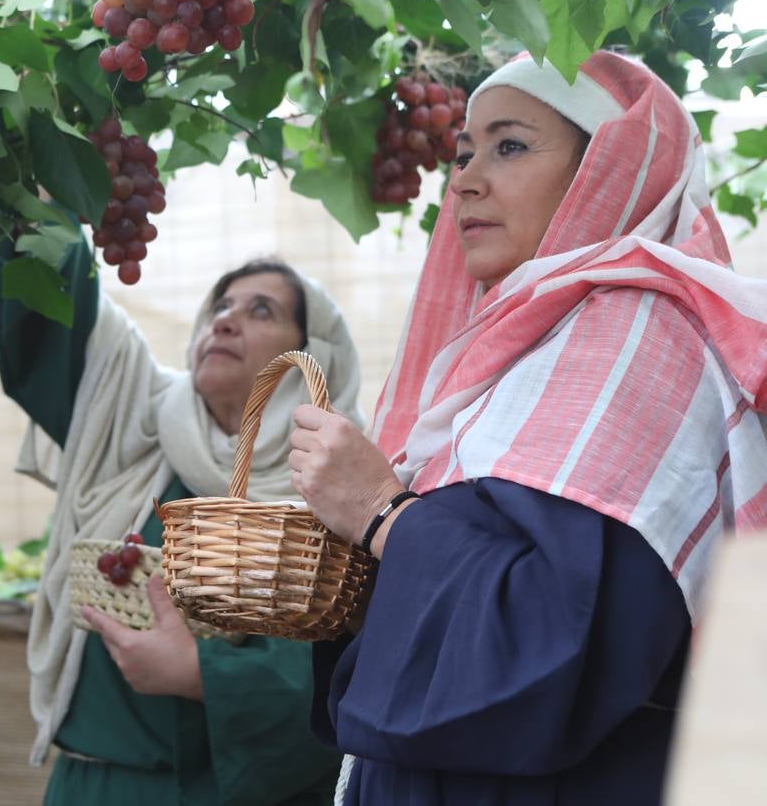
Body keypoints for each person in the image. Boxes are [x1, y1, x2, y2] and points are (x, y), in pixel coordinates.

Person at [288, 51, 767, 804]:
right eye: (466, 151)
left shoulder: (635, 335)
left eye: (510, 145)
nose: (466, 178)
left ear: (605, 171)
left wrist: (381, 513)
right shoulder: (518, 360)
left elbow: (560, 642)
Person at [0, 233, 364, 804]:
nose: (226, 320)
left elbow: (346, 669)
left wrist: (201, 675)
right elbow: (56, 326)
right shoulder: (133, 431)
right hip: (92, 788)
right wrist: (38, 195)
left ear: (315, 352)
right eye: (220, 306)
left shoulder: (337, 488)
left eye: (262, 310)